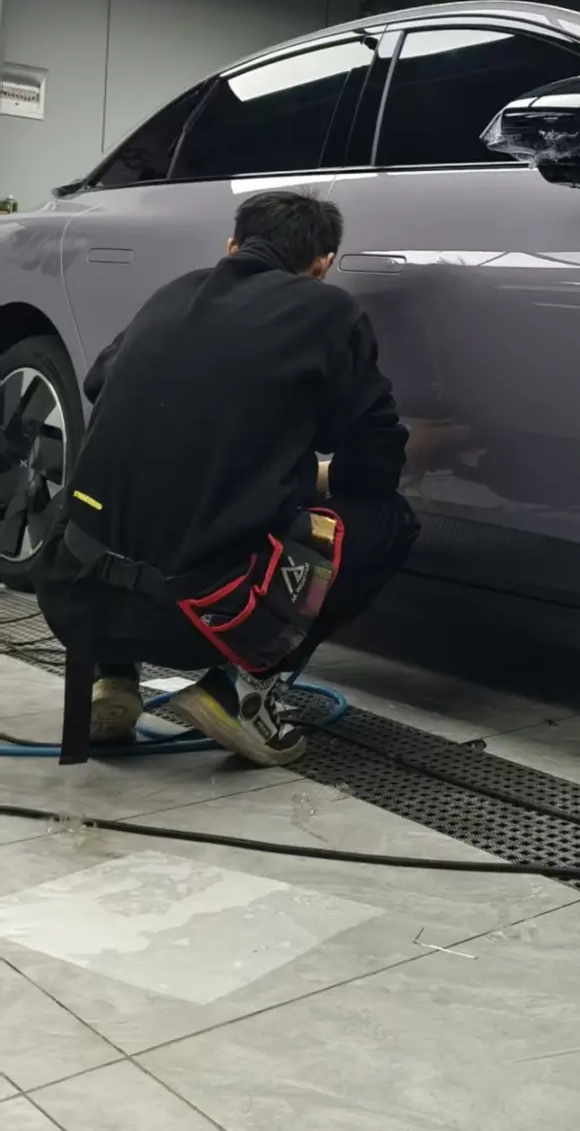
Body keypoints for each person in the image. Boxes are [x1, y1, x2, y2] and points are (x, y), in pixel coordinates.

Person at [35, 190, 418, 766]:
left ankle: (112, 680)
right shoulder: (330, 312)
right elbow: (376, 461)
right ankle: (243, 690)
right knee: (388, 520)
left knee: (125, 493)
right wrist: (308, 475)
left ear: (233, 246)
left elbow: (100, 386)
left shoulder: (173, 293)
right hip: (196, 618)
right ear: (323, 264)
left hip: (70, 596)